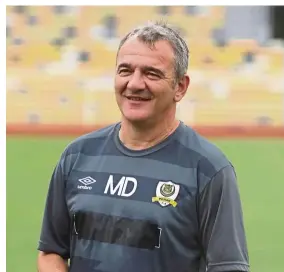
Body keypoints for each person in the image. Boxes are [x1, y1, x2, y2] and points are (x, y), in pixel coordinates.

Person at [37, 21, 250, 272]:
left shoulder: (209, 169)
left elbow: (228, 267)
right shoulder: (76, 156)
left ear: (180, 87)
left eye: (152, 73)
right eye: (125, 70)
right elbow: (51, 251)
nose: (135, 84)